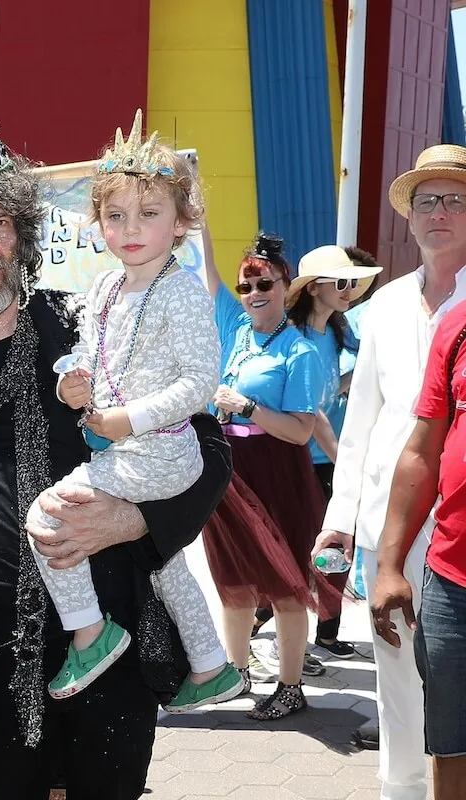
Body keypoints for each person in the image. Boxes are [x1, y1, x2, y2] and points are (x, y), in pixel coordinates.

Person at [0, 112, 232, 800]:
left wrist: (134, 521)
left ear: (24, 238)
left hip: (108, 664)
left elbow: (207, 446)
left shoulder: (86, 331)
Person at [32, 111, 242, 712]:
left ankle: (90, 634)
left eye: (149, 214)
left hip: (161, 451)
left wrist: (132, 419)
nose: (131, 228)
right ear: (98, 222)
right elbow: (91, 355)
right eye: (116, 215)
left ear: (180, 224)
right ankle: (209, 668)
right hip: (127, 447)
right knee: (165, 561)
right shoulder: (103, 288)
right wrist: (72, 380)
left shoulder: (182, 292)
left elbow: (202, 381)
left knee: (46, 517)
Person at [315, 144, 466, 800]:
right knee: (398, 687)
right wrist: (337, 525)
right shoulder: (384, 307)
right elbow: (359, 427)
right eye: (426, 201)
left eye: (455, 199)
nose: (439, 213)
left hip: (459, 527)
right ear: (408, 219)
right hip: (390, 533)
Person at [199, 231, 334, 720]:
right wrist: (195, 203)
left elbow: (301, 432)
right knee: (232, 579)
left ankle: (291, 686)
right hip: (229, 470)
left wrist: (247, 407)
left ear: (285, 286)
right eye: (247, 286)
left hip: (278, 471)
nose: (254, 294)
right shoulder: (238, 327)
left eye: (264, 284)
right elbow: (206, 265)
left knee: (285, 585)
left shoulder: (299, 352)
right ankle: (235, 676)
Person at [372, 296, 466, 800]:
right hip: (453, 581)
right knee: (451, 745)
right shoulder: (458, 326)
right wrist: (389, 565)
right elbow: (422, 451)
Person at [277, 246, 380, 658]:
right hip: (303, 454)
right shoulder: (293, 335)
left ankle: (327, 631)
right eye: (342, 282)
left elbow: (329, 390)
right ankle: (262, 623)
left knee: (333, 545)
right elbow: (310, 411)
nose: (350, 290)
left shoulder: (337, 332)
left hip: (329, 455)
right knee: (294, 543)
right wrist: (343, 458)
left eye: (354, 282)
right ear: (315, 288)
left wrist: (356, 379)